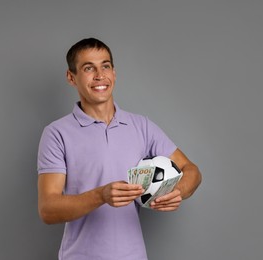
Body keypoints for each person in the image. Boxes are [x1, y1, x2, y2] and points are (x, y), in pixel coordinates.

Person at [37, 38, 202, 260]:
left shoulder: (141, 126)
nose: (99, 75)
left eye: (105, 66)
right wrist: (100, 195)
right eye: (88, 68)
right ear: (71, 77)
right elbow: (48, 209)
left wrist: (177, 192)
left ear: (114, 73)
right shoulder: (57, 133)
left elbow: (191, 170)